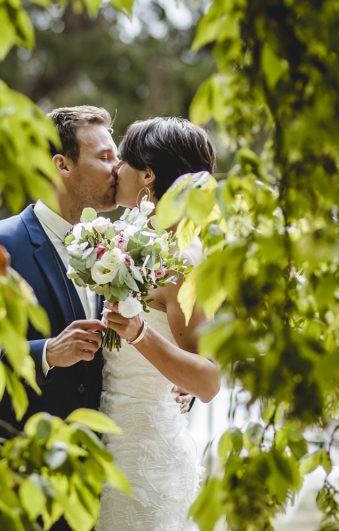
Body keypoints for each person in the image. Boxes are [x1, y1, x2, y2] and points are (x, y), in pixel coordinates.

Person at [97, 116, 221, 531]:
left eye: (124, 161)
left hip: (144, 453)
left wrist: (139, 333)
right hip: (108, 434)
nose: (115, 169)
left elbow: (207, 381)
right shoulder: (130, 235)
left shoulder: (182, 259)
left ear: (148, 174)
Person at [0, 106, 117, 432]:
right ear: (62, 164)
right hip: (21, 460)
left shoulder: (118, 248)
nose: (118, 169)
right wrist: (46, 353)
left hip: (100, 466)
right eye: (105, 158)